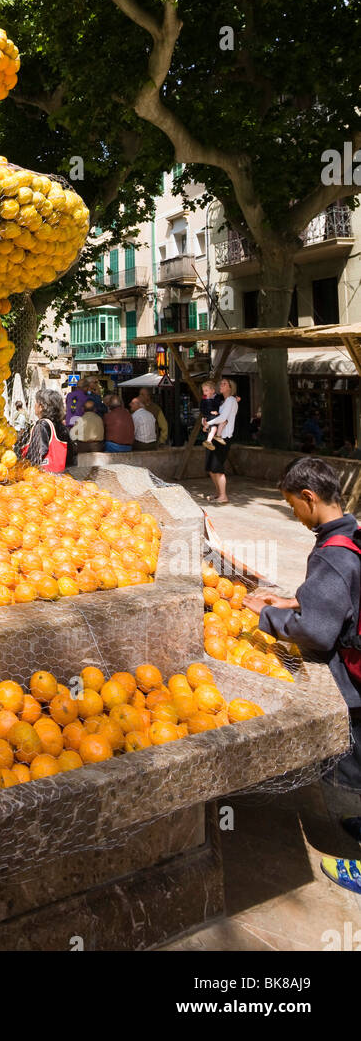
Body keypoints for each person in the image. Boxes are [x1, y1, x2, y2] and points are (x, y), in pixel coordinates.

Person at [244, 457, 361, 896]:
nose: (294, 514)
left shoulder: (332, 556)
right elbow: (340, 599)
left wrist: (271, 618)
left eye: (293, 505)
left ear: (309, 498)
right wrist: (293, 600)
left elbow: (317, 631)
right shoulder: (351, 533)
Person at [23, 387, 76, 471]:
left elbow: (36, 453)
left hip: (43, 477)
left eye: (36, 402)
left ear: (41, 407)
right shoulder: (61, 425)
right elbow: (70, 453)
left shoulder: (42, 425)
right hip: (60, 475)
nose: (34, 405)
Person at [205, 377, 239, 503]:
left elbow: (223, 417)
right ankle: (218, 493)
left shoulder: (230, 400)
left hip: (223, 438)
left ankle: (223, 496)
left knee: (217, 468)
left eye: (225, 384)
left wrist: (209, 423)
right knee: (211, 468)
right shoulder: (223, 402)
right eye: (222, 383)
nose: (221, 385)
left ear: (230, 388)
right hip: (215, 437)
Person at [199, 379, 221, 447]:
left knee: (215, 428)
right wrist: (209, 412)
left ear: (213, 391)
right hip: (208, 416)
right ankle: (209, 441)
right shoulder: (204, 400)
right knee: (214, 428)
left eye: (206, 390)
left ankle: (209, 437)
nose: (204, 393)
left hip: (214, 417)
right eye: (203, 391)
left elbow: (218, 404)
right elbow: (202, 409)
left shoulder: (217, 397)